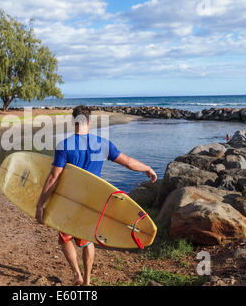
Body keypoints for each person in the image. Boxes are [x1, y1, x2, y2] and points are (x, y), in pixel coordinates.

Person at [35, 105, 157, 286]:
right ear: (89, 122)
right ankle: (87, 280)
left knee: (65, 238)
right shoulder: (103, 144)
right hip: (93, 202)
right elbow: (129, 163)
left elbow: (54, 177)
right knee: (87, 240)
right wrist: (147, 168)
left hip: (70, 200)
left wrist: (40, 204)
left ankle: (77, 274)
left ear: (73, 122)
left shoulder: (65, 145)